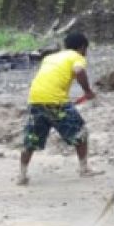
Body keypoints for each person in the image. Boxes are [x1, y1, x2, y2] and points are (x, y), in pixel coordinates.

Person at [17, 32, 102, 186]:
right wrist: (88, 92)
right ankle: (84, 169)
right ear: (82, 48)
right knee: (81, 132)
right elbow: (79, 71)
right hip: (56, 101)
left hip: (35, 99)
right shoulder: (77, 57)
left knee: (31, 139)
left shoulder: (50, 58)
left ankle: (22, 175)